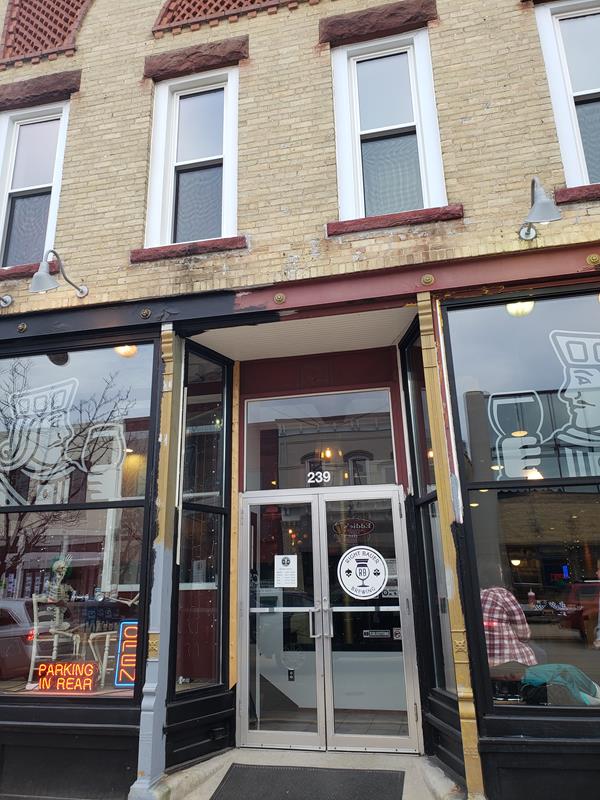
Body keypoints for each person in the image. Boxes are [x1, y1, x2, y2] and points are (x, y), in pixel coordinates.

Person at [480, 586, 537, 668]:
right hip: (510, 661)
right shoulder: (502, 593)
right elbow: (524, 635)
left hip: (483, 663)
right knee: (540, 653)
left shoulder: (470, 596)